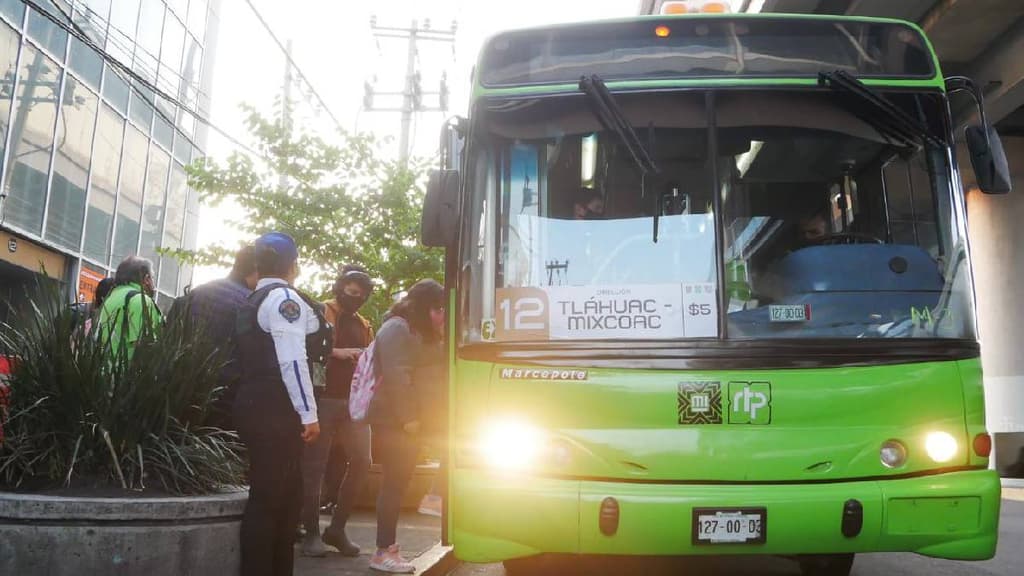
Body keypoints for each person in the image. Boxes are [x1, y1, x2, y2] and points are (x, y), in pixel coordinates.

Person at [233, 232, 329, 576]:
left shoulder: (254, 298)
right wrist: (309, 414)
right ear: (294, 265)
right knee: (273, 500)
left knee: (280, 498)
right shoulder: (284, 299)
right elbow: (293, 361)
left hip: (256, 404)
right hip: (277, 410)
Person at [367, 279, 446, 574]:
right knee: (394, 484)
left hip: (411, 420)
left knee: (399, 481)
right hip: (396, 420)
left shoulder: (419, 330)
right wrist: (409, 418)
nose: (441, 315)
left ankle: (435, 496)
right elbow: (397, 376)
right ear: (423, 307)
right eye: (438, 309)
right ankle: (383, 551)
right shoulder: (396, 328)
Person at [300, 265, 375, 557]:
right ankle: (311, 533)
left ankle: (337, 528)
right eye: (351, 291)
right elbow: (306, 350)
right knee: (313, 468)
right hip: (323, 399)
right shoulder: (319, 312)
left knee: (362, 460)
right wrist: (337, 353)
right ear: (340, 287)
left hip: (354, 402)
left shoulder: (364, 324)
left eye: (361, 294)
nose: (355, 297)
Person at [168, 245, 259, 429]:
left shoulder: (198, 292)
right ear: (256, 269)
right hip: (225, 397)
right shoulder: (250, 304)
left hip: (183, 391)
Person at [98, 257, 163, 358]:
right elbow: (144, 347)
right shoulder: (141, 300)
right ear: (146, 279)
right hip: (127, 371)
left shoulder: (111, 297)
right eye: (153, 278)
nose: (153, 283)